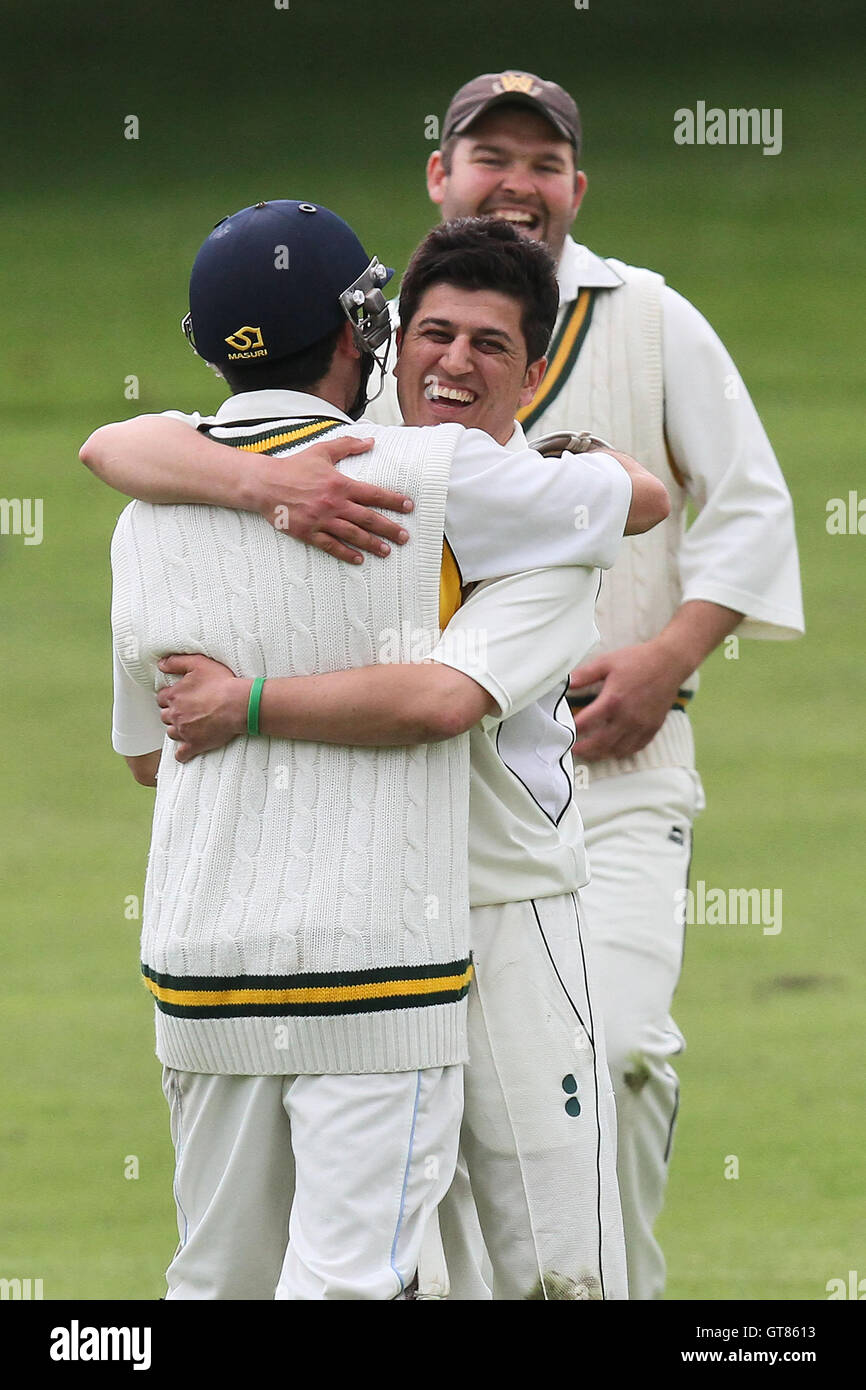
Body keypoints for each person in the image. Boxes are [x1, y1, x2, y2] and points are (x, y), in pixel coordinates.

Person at [91, 205, 666, 1299]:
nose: (451, 361)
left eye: (488, 344)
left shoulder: (484, 487)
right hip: (372, 943)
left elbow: (445, 693)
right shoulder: (387, 470)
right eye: (433, 335)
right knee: (369, 1278)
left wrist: (242, 702)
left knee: (553, 1269)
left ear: (535, 370)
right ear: (376, 334)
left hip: (496, 919)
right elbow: (119, 448)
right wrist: (263, 481)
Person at [366, 69, 803, 1300]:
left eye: (542, 162)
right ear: (438, 175)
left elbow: (753, 508)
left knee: (610, 1056)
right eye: (487, 155)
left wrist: (666, 662)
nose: (516, 183)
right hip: (429, 794)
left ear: (575, 186)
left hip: (618, 777)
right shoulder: (391, 329)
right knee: (435, 1101)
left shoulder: (653, 315)